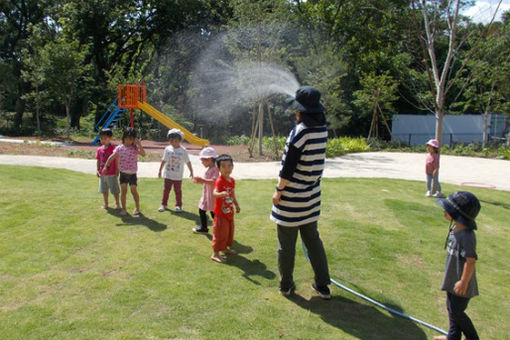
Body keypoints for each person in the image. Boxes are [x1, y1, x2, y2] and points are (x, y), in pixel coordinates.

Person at [271, 85, 331, 300]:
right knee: (313, 241)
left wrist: (279, 191)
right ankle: (323, 285)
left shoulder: (300, 132)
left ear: (301, 111)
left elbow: (288, 168)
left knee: (285, 246)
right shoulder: (323, 130)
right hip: (311, 198)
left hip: (292, 199)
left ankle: (286, 285)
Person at [435, 191, 481, 340]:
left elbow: (470, 261)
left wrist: (463, 282)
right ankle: (453, 337)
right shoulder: (455, 229)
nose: (444, 212)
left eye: (447, 210)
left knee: (457, 312)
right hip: (451, 279)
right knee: (451, 309)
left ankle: (472, 337)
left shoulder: (467, 236)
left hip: (461, 283)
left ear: (458, 214)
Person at [105, 127, 146, 216]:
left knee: (133, 190)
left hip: (132, 174)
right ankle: (124, 209)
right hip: (123, 173)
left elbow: (143, 154)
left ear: (134, 140)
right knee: (123, 191)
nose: (128, 141)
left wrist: (139, 144)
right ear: (123, 138)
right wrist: (106, 166)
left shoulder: (135, 148)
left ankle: (137, 208)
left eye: (131, 139)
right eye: (126, 138)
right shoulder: (119, 148)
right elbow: (112, 156)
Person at [211, 154, 240, 263]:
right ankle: (215, 253)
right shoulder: (219, 180)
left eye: (229, 165)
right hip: (220, 213)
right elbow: (214, 193)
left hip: (229, 212)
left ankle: (224, 249)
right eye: (223, 166)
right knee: (220, 233)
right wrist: (221, 194)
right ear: (218, 168)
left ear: (233, 166)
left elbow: (232, 195)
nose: (227, 168)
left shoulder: (232, 180)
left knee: (228, 232)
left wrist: (236, 205)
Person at [158, 128, 193, 213]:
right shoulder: (167, 149)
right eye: (171, 141)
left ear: (180, 140)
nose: (173, 143)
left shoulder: (183, 150)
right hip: (168, 175)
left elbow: (188, 161)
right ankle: (163, 204)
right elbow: (164, 160)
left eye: (175, 141)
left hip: (178, 176)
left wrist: (191, 171)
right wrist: (160, 170)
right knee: (166, 190)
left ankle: (178, 205)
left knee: (178, 191)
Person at [192, 147, 219, 234]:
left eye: (203, 160)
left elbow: (214, 182)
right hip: (206, 195)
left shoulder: (215, 170)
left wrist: (202, 180)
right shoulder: (209, 169)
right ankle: (204, 228)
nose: (202, 162)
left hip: (212, 196)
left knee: (213, 213)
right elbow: (207, 182)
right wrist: (200, 181)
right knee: (202, 210)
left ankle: (221, 228)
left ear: (210, 159)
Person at [95, 128, 120, 210]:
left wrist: (117, 170)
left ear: (110, 138)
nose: (103, 140)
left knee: (115, 190)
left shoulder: (113, 148)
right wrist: (97, 170)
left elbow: (116, 159)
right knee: (104, 190)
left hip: (112, 173)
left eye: (105, 138)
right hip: (102, 174)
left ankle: (117, 204)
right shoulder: (99, 149)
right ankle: (106, 204)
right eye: (101, 138)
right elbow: (98, 160)